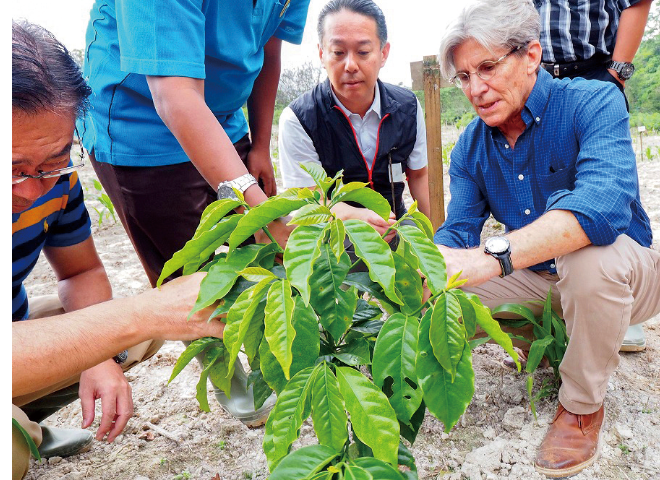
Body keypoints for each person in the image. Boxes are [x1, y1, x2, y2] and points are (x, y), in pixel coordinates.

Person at [435, 0, 659, 477]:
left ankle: (580, 406)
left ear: (532, 55)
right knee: (447, 289)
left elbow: (601, 208)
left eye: (488, 67)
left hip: (628, 274)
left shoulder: (593, 102)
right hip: (543, 280)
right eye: (464, 76)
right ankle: (553, 334)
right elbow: (457, 235)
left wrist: (494, 256)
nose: (476, 88)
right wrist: (417, 261)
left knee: (586, 257)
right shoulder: (470, 147)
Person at [79, 0, 311, 424]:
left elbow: (270, 48)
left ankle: (267, 349)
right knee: (183, 266)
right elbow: (174, 93)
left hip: (223, 116)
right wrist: (259, 209)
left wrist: (260, 145)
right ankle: (222, 369)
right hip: (141, 125)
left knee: (259, 253)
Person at [12, 20, 223, 480]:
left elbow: (79, 273)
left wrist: (99, 356)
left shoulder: (55, 183)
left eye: (54, 161)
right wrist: (140, 315)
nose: (32, 190)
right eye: (14, 169)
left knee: (132, 335)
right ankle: (23, 433)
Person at [537, 0, 655, 350]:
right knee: (549, 176)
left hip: (595, 68)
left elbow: (636, 2)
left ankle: (626, 308)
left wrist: (616, 74)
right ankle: (565, 294)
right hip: (537, 73)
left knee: (612, 182)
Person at [278, 0, 430, 248]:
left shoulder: (408, 107)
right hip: (333, 231)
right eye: (338, 53)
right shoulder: (298, 118)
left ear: (383, 53)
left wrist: (429, 234)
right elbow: (306, 199)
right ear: (321, 54)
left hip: (393, 224)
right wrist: (351, 216)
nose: (350, 65)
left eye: (363, 52)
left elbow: (419, 174)